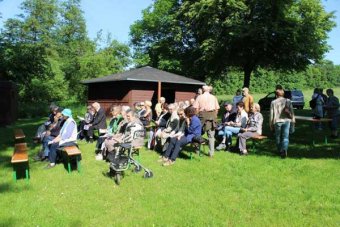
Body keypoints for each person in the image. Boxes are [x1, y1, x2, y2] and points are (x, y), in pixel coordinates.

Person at [193, 85, 220, 157]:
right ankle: (211, 153)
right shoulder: (214, 97)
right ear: (209, 90)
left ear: (203, 90)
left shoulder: (199, 97)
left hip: (202, 116)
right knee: (211, 135)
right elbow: (217, 109)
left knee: (197, 133)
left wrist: (196, 117)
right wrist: (214, 116)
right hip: (212, 116)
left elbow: (195, 108)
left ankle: (197, 149)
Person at [270, 88, 295, 158]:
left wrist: (270, 124)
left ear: (276, 94)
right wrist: (293, 121)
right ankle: (284, 149)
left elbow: (272, 114)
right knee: (285, 137)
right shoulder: (288, 101)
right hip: (287, 121)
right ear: (283, 94)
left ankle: (280, 150)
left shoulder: (273, 102)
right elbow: (292, 112)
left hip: (277, 121)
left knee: (278, 137)